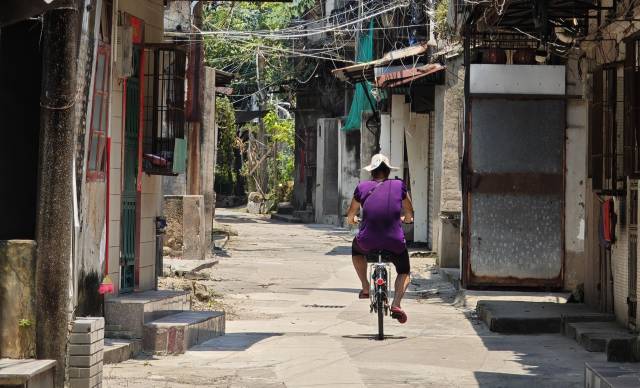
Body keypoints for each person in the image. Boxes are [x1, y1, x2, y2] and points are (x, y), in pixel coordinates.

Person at [347, 153, 414, 324]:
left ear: (372, 172)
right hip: (394, 242)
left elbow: (351, 214)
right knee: (404, 270)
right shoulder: (399, 185)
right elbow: (409, 211)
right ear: (388, 172)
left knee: (356, 249)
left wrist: (353, 220)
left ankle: (365, 286)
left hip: (367, 241)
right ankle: (396, 303)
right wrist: (407, 219)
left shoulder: (362, 187)